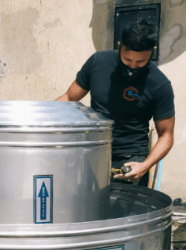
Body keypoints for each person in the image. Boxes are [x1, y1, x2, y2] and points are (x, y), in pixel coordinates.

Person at [56, 19, 175, 186]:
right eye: (127, 60)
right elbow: (68, 98)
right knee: (89, 210)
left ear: (151, 52)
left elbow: (166, 135)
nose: (133, 67)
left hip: (131, 161)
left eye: (140, 62)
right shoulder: (98, 62)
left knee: (126, 212)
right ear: (120, 45)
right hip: (93, 153)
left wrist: (144, 166)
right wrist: (41, 120)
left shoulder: (160, 84)